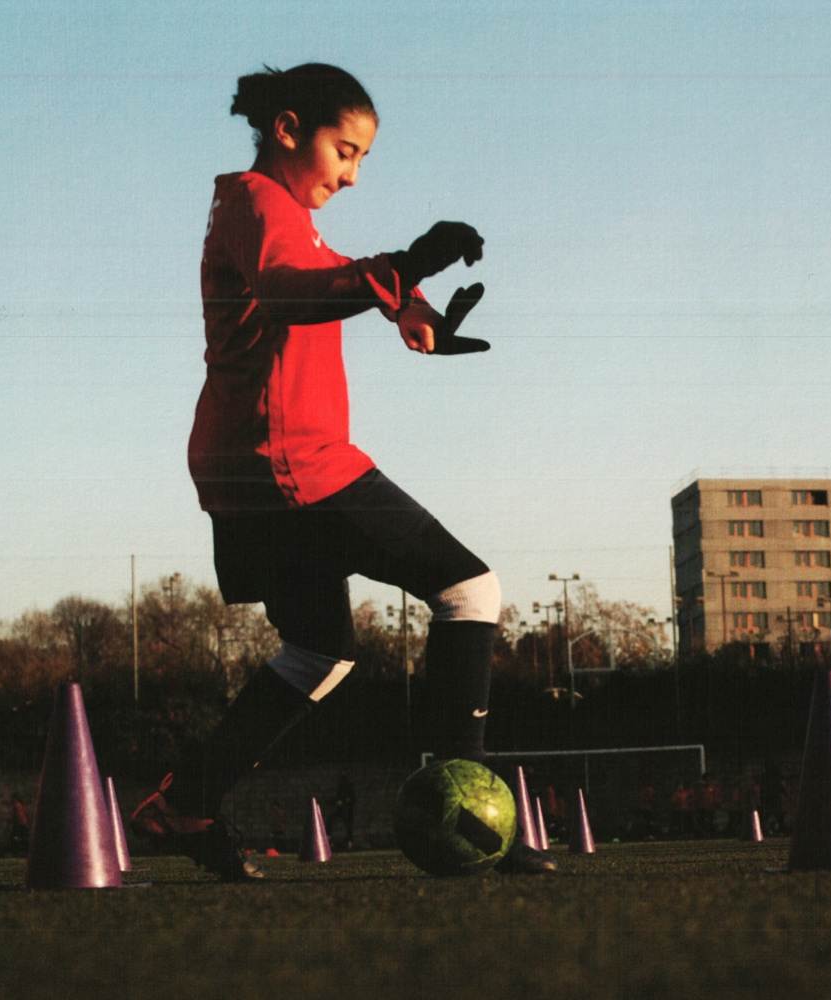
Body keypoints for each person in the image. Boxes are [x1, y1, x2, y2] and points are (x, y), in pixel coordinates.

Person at [130, 63, 556, 880]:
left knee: (316, 652)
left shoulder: (274, 213)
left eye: (363, 159)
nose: (353, 174)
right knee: (471, 590)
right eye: (345, 150)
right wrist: (408, 263)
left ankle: (183, 806)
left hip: (245, 467)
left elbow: (315, 283)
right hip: (291, 463)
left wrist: (410, 307)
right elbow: (294, 294)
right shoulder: (258, 200)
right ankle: (464, 796)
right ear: (289, 128)